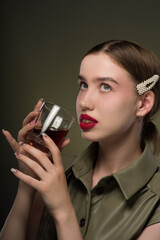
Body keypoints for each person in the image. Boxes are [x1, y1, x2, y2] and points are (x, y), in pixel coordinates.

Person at [1, 40, 160, 240]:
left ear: (144, 103)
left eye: (105, 86)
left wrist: (63, 212)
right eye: (83, 85)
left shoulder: (155, 202)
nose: (84, 102)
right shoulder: (57, 175)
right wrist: (28, 183)